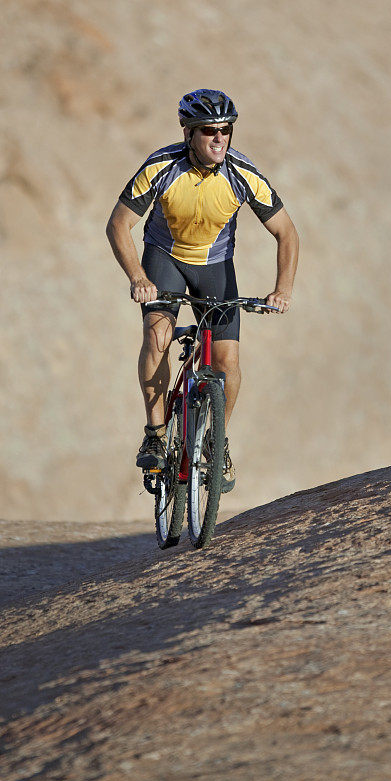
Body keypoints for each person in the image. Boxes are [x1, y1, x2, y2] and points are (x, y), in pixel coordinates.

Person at [106, 89, 299, 491]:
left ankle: (215, 443)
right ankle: (156, 435)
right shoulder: (161, 166)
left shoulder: (242, 173)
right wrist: (138, 277)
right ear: (188, 133)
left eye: (226, 131)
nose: (219, 139)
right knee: (157, 334)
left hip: (215, 269)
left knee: (227, 361)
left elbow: (286, 232)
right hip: (165, 258)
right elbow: (118, 224)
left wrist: (282, 289)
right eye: (209, 130)